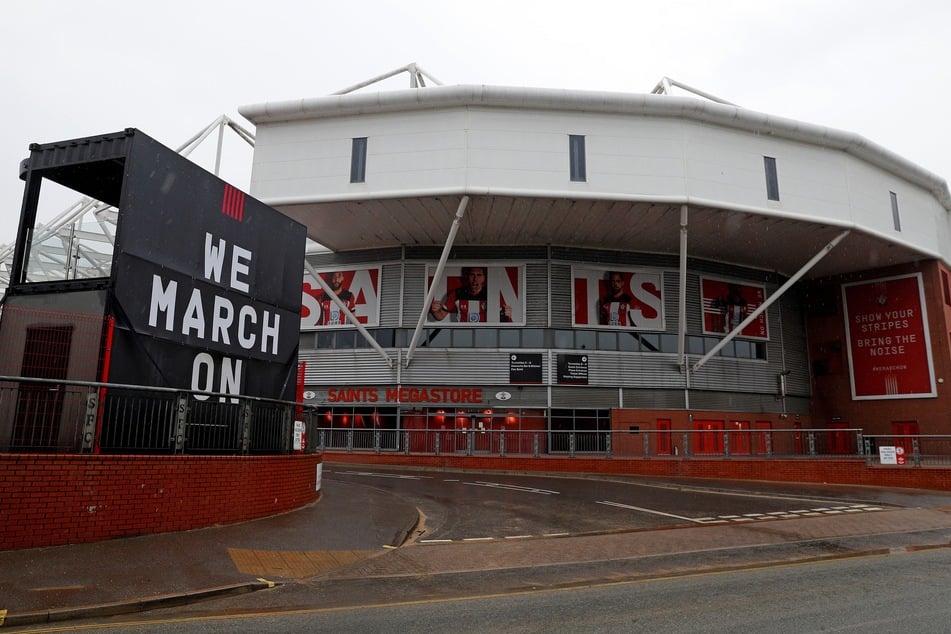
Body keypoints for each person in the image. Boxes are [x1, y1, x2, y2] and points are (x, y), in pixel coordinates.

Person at [431, 266, 512, 323]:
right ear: (467, 277)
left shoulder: (492, 294)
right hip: (464, 335)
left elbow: (506, 320)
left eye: (479, 275)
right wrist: (434, 311)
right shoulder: (457, 293)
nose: (475, 279)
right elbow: (440, 316)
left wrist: (507, 315)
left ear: (484, 278)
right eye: (472, 275)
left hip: (485, 335)